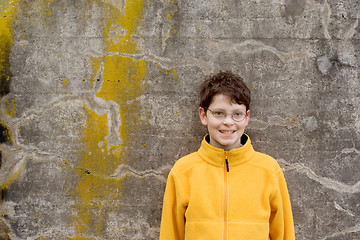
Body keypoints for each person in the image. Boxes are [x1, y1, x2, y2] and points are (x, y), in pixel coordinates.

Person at [159, 71, 295, 240]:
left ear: (247, 117)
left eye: (237, 114)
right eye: (219, 113)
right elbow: (170, 234)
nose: (228, 122)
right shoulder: (184, 171)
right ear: (203, 115)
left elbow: (284, 234)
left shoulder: (269, 170)